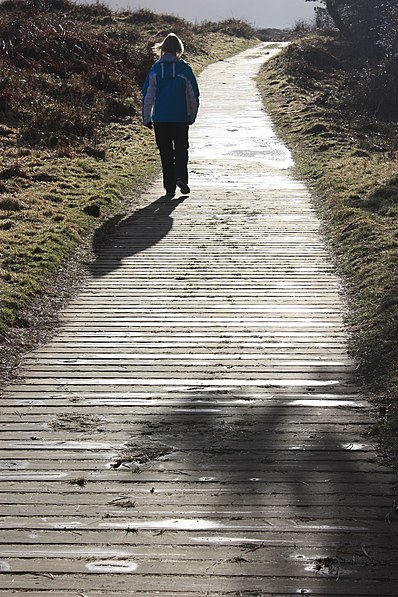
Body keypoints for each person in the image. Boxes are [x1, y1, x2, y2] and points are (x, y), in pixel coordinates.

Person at [141, 33, 200, 198]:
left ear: (162, 49)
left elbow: (147, 96)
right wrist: (192, 116)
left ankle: (169, 187)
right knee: (182, 150)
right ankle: (181, 177)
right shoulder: (185, 70)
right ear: (178, 50)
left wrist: (146, 118)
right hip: (180, 118)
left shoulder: (155, 70)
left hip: (160, 119)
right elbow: (193, 96)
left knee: (165, 152)